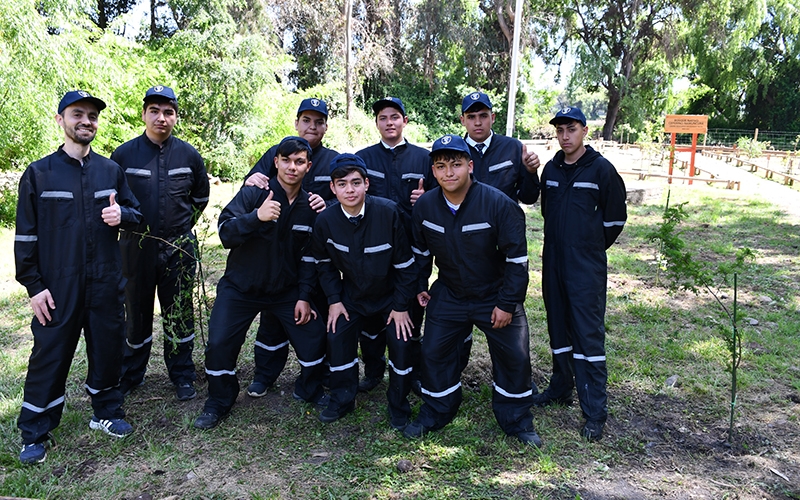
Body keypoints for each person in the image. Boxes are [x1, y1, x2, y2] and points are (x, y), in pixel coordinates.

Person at [14, 90, 143, 464]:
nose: (86, 121)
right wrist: (34, 287)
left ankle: (105, 412)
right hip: (58, 286)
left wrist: (125, 217)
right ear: (60, 120)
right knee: (49, 357)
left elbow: (135, 212)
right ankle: (35, 432)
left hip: (105, 282)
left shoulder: (110, 171)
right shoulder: (39, 173)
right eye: (77, 114)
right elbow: (25, 237)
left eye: (92, 116)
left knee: (108, 349)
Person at [404, 134, 541, 447]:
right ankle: (438, 409)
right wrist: (420, 286)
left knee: (514, 358)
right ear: (433, 171)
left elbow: (517, 262)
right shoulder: (425, 206)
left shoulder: (499, 204)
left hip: (495, 294)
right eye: (441, 166)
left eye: (455, 164)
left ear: (470, 165)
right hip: (450, 293)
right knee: (434, 352)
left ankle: (516, 420)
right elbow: (421, 253)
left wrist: (507, 304)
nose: (449, 172)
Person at [194, 136, 327, 430]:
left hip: (286, 292)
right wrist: (257, 217)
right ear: (276, 162)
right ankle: (219, 400)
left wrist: (305, 296)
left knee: (315, 337)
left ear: (308, 166)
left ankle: (310, 389)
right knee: (219, 344)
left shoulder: (311, 205)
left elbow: (310, 257)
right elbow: (226, 233)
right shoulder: (255, 193)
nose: (292, 167)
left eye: (299, 162)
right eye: (287, 160)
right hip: (241, 288)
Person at [535, 106, 627, 442]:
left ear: (585, 131)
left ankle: (594, 410)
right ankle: (561, 387)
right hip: (553, 261)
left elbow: (615, 218)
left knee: (587, 334)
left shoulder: (601, 170)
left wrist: (588, 246)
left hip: (585, 265)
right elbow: (547, 211)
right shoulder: (552, 169)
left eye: (570, 129)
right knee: (558, 326)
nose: (564, 136)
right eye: (559, 130)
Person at [112, 85, 210, 401]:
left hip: (179, 249)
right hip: (134, 248)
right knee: (136, 313)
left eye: (168, 112)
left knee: (179, 312)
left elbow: (201, 197)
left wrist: (180, 228)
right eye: (154, 111)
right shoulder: (124, 156)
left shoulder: (189, 155)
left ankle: (182, 375)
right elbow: (114, 202)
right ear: (144, 114)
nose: (161, 118)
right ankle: (131, 374)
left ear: (176, 116)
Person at [311, 153, 417, 427]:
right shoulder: (326, 221)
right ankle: (342, 399)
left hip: (390, 297)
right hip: (353, 296)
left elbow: (406, 265)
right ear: (332, 188)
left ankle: (398, 405)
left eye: (356, 183)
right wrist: (334, 300)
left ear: (367, 184)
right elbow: (324, 265)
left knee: (401, 340)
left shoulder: (388, 212)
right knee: (337, 335)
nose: (350, 190)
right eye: (342, 184)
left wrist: (401, 306)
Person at [241, 98, 335, 397]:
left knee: (315, 315)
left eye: (318, 122)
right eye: (306, 120)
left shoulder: (333, 159)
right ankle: (265, 374)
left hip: (317, 252)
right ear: (296, 122)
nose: (312, 126)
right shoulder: (276, 151)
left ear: (325, 127)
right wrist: (249, 179)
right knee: (273, 319)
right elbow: (252, 186)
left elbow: (349, 193)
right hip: (276, 250)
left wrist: (328, 203)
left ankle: (319, 375)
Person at [354, 96, 434, 393]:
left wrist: (424, 200)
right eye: (383, 118)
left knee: (411, 310)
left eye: (395, 117)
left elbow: (440, 198)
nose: (389, 122)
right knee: (371, 315)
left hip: (412, 248)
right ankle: (373, 370)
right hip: (371, 248)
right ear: (377, 123)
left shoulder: (423, 158)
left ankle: (410, 372)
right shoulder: (363, 158)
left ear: (405, 121)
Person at [459, 91, 540, 204]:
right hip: (470, 221)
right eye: (471, 117)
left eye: (483, 116)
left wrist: (530, 172)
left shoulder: (513, 148)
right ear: (463, 120)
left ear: (492, 118)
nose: (477, 123)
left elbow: (529, 198)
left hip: (506, 220)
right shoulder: (456, 153)